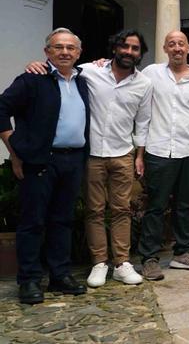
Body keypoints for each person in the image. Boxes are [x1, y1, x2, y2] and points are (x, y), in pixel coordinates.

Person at [25, 30, 153, 288]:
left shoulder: (144, 84)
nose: (129, 51)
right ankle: (99, 263)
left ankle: (121, 263)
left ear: (140, 53)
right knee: (94, 211)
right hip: (92, 155)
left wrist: (139, 155)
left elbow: (143, 122)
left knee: (121, 210)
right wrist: (35, 64)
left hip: (122, 154)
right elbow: (61, 66)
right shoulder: (89, 71)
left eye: (135, 48)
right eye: (124, 46)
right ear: (114, 48)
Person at [0, 28, 90, 304]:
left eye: (70, 48)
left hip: (73, 160)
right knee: (33, 222)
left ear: (79, 52)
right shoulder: (32, 79)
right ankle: (28, 281)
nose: (65, 52)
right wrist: (14, 149)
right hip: (41, 161)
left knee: (62, 221)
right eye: (58, 47)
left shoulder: (82, 81)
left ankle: (59, 275)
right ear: (47, 52)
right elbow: (1, 109)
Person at [137, 31, 189, 280]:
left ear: (188, 48)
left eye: (181, 44)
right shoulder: (151, 74)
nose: (177, 48)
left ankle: (183, 253)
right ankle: (149, 258)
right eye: (172, 44)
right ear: (165, 48)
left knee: (184, 205)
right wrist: (101, 64)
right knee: (156, 207)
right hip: (158, 151)